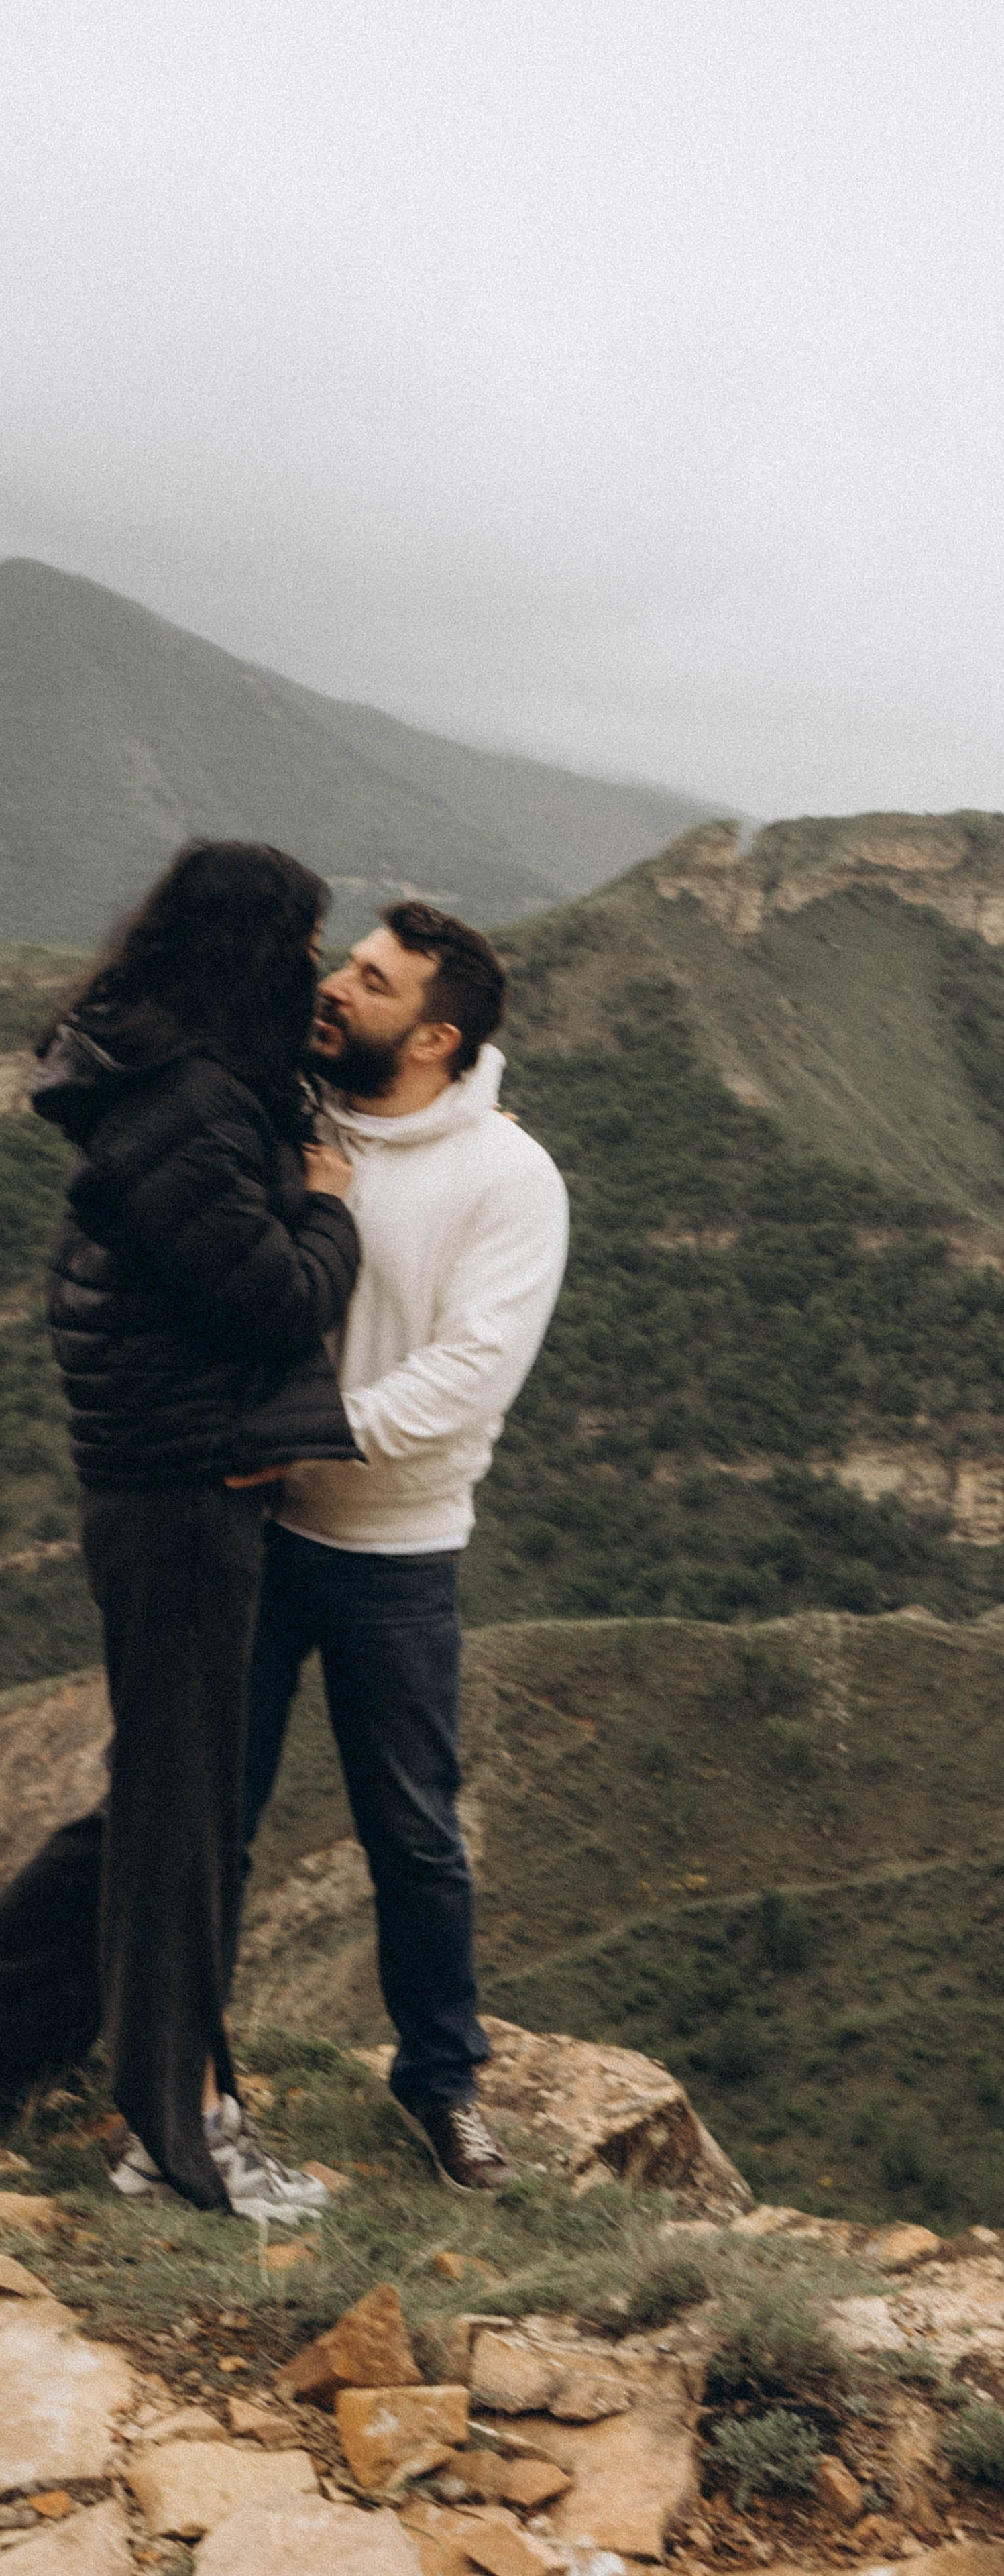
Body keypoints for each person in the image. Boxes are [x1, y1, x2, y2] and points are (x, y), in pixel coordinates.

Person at [0, 841, 361, 2222]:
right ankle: (173, 2137)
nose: (319, 968)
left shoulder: (172, 1085)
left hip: (173, 1481)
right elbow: (273, 1300)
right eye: (310, 939)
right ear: (251, 946)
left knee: (163, 1802)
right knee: (179, 1821)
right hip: (184, 1495)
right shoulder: (188, 1107)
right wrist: (331, 1207)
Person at [242, 900, 569, 2192]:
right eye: (347, 961)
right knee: (215, 1810)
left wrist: (311, 1439)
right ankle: (180, 2064)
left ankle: (442, 2087)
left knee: (415, 1835)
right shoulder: (294, 1117)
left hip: (396, 1553)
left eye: (369, 982)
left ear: (434, 1036)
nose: (335, 986)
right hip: (253, 1527)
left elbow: (473, 1374)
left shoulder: (508, 1177)